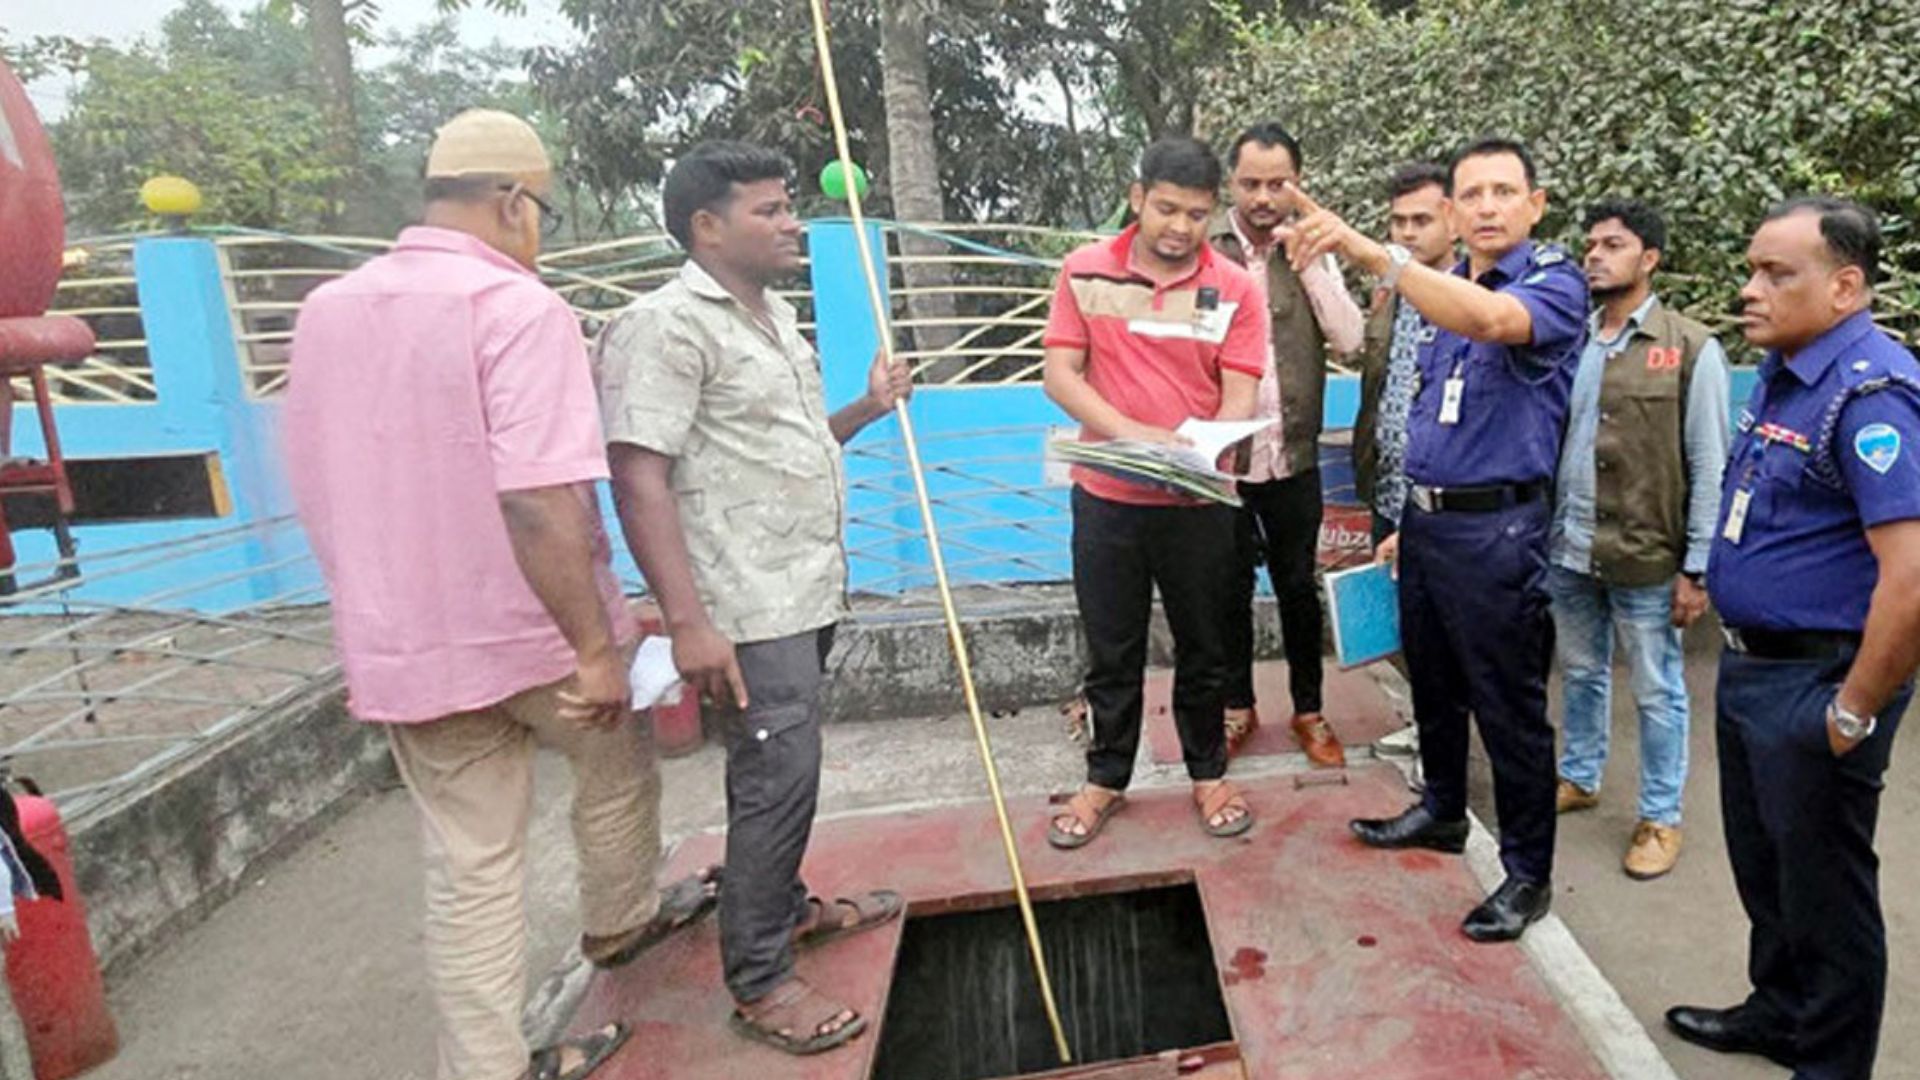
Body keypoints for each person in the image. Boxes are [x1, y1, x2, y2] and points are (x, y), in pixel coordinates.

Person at [284, 109, 716, 1080]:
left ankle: (487, 1068)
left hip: (405, 642)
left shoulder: (328, 310)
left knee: (471, 869)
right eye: (543, 212)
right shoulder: (518, 308)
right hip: (541, 635)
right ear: (514, 201)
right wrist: (597, 651)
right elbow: (537, 500)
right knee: (614, 769)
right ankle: (620, 922)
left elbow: (315, 475)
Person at [593, 140, 911, 1058]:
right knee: (778, 778)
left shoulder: (770, 317)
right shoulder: (666, 326)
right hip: (741, 605)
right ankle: (762, 977)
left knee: (778, 773)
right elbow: (638, 475)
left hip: (799, 589)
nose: (791, 223)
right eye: (769, 210)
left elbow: (795, 444)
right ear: (707, 225)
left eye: (788, 207)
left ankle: (778, 907)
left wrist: (865, 408)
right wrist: (687, 621)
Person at [1282, 137, 1588, 942]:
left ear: (1535, 203)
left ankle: (1528, 875)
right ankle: (1444, 809)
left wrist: (1368, 251)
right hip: (1428, 524)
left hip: (1500, 528)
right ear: (1454, 210)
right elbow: (1423, 403)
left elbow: (1492, 321)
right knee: (1435, 685)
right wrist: (1407, 514)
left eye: (1502, 192)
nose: (1487, 207)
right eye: (1472, 194)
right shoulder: (1444, 287)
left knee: (1510, 707)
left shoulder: (1553, 281)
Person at [1667, 197, 1920, 1080]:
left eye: (1779, 274)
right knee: (1767, 866)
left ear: (1846, 286)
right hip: (1751, 670)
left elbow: (1913, 578)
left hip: (1819, 684)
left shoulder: (1872, 395)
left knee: (1827, 891)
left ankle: (1833, 1063)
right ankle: (1779, 1014)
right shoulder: (1788, 372)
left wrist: (1852, 713)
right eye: (1751, 269)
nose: (1750, 290)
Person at [1040, 136, 1269, 850]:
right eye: (1167, 209)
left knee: (1205, 648)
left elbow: (1240, 393)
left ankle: (1208, 772)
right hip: (1106, 496)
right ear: (1138, 197)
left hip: (1197, 501)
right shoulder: (1083, 272)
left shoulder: (1235, 287)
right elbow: (1061, 375)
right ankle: (1107, 777)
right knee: (1113, 648)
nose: (1180, 227)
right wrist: (1134, 436)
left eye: (1197, 215)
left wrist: (1199, 445)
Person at [1549, 199, 1729, 881]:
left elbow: (1710, 461)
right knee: (1583, 673)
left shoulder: (1690, 347)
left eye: (1613, 245)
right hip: (1569, 547)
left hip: (1647, 555)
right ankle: (1581, 776)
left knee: (1658, 689)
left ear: (1649, 258)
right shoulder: (1572, 342)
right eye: (1590, 244)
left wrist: (1699, 567)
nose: (1594, 255)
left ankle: (1660, 816)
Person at [1210, 121, 1365, 767]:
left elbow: (1352, 339)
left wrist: (1312, 267)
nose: (1264, 197)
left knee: (1299, 587)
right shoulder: (1205, 250)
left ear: (1297, 184)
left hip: (1293, 456)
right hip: (1225, 461)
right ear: (1231, 185)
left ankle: (1309, 710)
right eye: (1251, 184)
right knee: (1224, 589)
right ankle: (1236, 707)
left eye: (1279, 184)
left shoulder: (1313, 248)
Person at [1351, 161, 1456, 763]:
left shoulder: (1471, 296)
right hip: (1390, 489)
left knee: (1450, 634)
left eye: (1422, 219)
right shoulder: (1392, 297)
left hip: (1444, 500)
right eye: (1398, 222)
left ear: (1453, 219)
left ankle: (1450, 759)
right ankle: (1425, 733)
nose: (1408, 234)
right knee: (1407, 628)